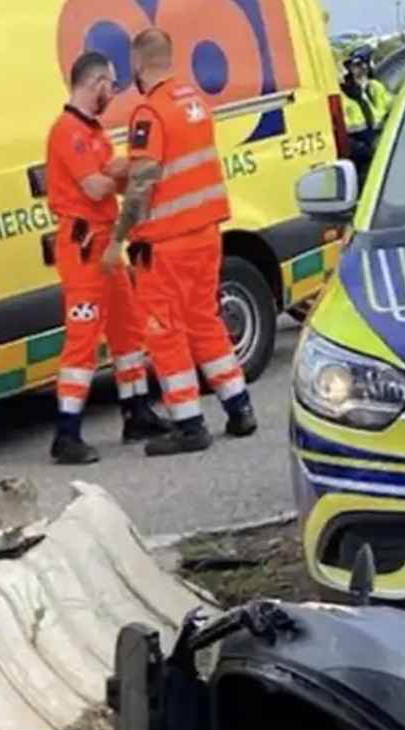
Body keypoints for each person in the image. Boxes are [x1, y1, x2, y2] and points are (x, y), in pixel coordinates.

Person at [106, 27, 260, 458]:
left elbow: (144, 183)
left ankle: (189, 424)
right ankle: (239, 406)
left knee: (164, 333)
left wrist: (118, 236)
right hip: (205, 235)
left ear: (138, 63)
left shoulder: (148, 113)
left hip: (165, 244)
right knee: (204, 321)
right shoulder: (194, 103)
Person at [42, 52, 156, 465]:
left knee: (128, 329)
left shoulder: (92, 132)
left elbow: (111, 174)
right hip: (84, 247)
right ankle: (66, 433)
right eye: (110, 83)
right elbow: (94, 186)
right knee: (83, 339)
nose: (114, 90)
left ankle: (136, 410)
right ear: (94, 83)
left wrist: (122, 167)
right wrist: (124, 168)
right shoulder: (68, 132)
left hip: (104, 244)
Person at [338, 46, 394, 171]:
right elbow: (343, 137)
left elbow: (394, 106)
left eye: (363, 64)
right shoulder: (344, 96)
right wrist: (367, 151)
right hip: (365, 159)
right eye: (356, 65)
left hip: (385, 147)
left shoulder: (375, 86)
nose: (362, 68)